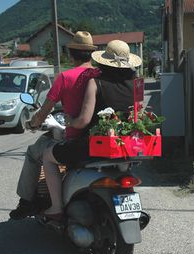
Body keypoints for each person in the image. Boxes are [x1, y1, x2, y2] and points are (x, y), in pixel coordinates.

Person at [42, 40, 142, 219]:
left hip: (97, 145)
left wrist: (69, 121)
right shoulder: (137, 82)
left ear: (104, 61)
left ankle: (56, 207)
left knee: (48, 156)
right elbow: (138, 116)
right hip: (127, 146)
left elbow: (83, 121)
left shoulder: (95, 82)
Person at [9, 31, 99, 220]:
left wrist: (33, 123)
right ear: (91, 53)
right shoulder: (99, 75)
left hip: (73, 137)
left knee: (34, 152)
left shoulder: (65, 77)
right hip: (96, 137)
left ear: (71, 53)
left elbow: (44, 110)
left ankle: (27, 203)